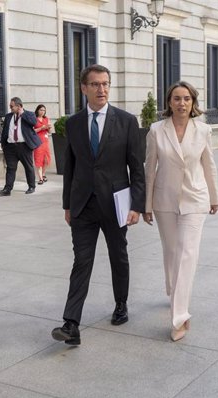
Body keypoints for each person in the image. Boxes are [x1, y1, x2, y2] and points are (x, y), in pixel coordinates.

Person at [51, 64, 146, 346]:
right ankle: (71, 324)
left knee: (119, 256)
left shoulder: (127, 121)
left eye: (105, 84)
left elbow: (136, 168)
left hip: (116, 204)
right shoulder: (73, 123)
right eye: (95, 84)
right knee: (82, 261)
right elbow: (70, 166)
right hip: (83, 206)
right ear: (84, 88)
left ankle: (121, 304)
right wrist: (68, 204)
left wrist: (136, 205)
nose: (102, 89)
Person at [143, 81, 218, 342]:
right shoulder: (156, 130)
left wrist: (214, 196)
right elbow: (149, 167)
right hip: (164, 199)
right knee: (172, 252)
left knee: (187, 254)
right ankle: (173, 290)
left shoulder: (203, 130)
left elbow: (209, 165)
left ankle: (178, 317)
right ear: (169, 102)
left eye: (186, 98)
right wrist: (147, 204)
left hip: (195, 199)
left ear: (193, 102)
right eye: (176, 98)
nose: (182, 103)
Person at [0, 97, 41, 196]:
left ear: (19, 106)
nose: (10, 108)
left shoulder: (29, 114)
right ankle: (7, 189)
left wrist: (22, 114)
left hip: (24, 146)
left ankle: (31, 186)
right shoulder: (8, 116)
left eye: (12, 106)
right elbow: (5, 131)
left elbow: (34, 123)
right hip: (10, 147)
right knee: (10, 168)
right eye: (10, 106)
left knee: (28, 167)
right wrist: (4, 146)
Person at [32, 104, 52, 185]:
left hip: (46, 141)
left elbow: (50, 132)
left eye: (44, 110)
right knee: (38, 159)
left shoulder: (46, 119)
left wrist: (49, 128)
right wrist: (41, 128)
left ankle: (43, 174)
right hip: (37, 142)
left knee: (47, 160)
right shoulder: (34, 119)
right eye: (41, 110)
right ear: (37, 110)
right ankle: (40, 178)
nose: (42, 112)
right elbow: (32, 131)